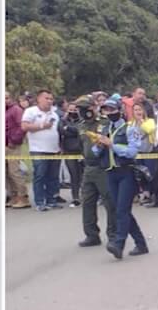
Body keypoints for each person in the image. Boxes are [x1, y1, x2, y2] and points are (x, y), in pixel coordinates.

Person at [93, 97, 148, 259]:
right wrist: (98, 145)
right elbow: (96, 153)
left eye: (112, 109)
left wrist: (112, 145)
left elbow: (132, 152)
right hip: (111, 172)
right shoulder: (104, 129)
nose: (109, 113)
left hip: (126, 172)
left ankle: (119, 243)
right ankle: (141, 243)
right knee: (120, 210)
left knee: (122, 210)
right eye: (106, 110)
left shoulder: (130, 129)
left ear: (120, 110)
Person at [75, 98, 117, 249]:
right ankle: (91, 235)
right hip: (88, 168)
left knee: (109, 202)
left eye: (85, 108)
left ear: (94, 107)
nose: (83, 111)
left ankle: (113, 235)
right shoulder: (81, 126)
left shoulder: (103, 123)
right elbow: (81, 146)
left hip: (102, 168)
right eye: (80, 109)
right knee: (87, 202)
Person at [21, 90, 63, 211]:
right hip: (38, 149)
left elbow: (57, 131)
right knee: (40, 175)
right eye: (46, 98)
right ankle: (40, 202)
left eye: (51, 99)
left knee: (53, 177)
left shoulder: (54, 114)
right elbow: (24, 126)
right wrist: (41, 126)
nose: (49, 101)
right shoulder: (31, 111)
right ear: (38, 99)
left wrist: (60, 146)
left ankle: (52, 200)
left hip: (54, 149)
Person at [59, 96, 92, 206]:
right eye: (71, 110)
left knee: (84, 175)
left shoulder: (83, 121)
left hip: (82, 151)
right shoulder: (63, 121)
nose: (73, 112)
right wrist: (70, 130)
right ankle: (75, 197)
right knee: (74, 175)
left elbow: (81, 131)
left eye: (75, 110)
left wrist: (69, 129)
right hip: (69, 151)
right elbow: (62, 132)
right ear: (67, 110)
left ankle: (86, 196)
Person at [4, 93, 29, 208]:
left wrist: (14, 140)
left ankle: (23, 197)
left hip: (12, 145)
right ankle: (13, 196)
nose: (5, 100)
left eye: (7, 98)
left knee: (14, 172)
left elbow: (22, 127)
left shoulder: (16, 110)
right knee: (6, 173)